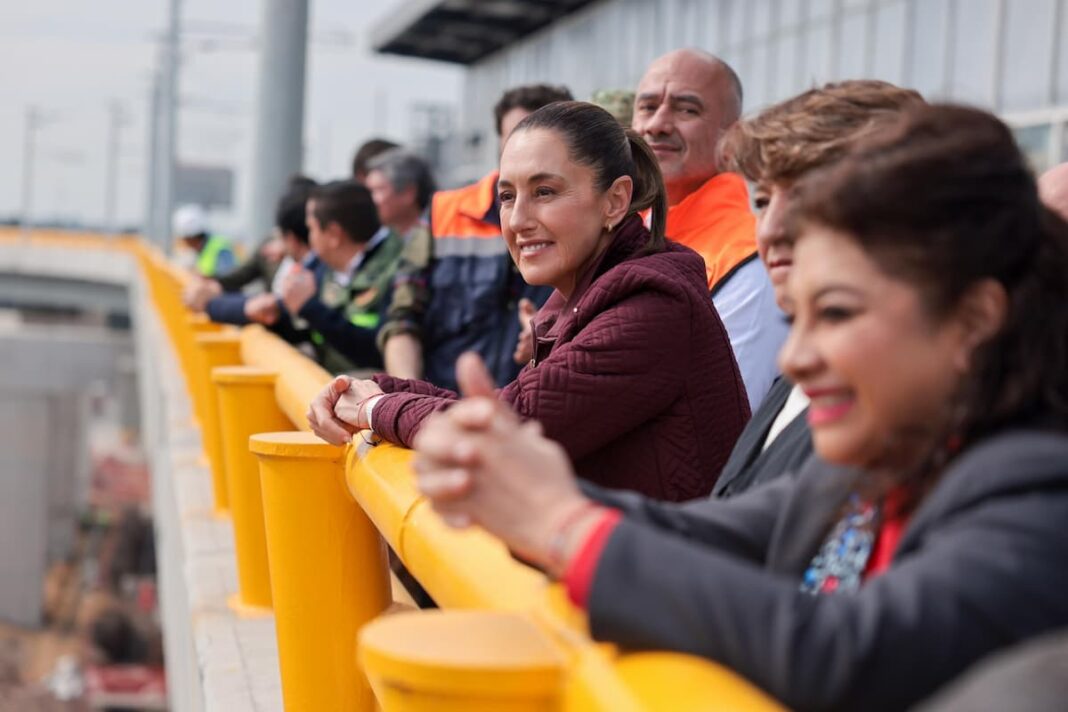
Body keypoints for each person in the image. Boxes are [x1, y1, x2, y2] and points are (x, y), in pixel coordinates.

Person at [411, 104, 1068, 711]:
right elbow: (703, 533)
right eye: (798, 320)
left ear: (975, 318)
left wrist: (559, 524)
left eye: (836, 313)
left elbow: (849, 652)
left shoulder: (1040, 492)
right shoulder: (880, 461)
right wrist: (521, 491)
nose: (794, 360)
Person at [310, 101, 749, 501]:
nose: (518, 220)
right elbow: (506, 406)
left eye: (545, 192)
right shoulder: (585, 295)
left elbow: (504, 428)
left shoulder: (652, 305)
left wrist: (373, 408)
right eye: (507, 196)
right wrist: (368, 390)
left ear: (615, 201)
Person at [711, 80, 925, 498]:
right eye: (762, 201)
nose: (770, 230)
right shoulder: (802, 370)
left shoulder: (908, 409)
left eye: (807, 197)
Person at [379, 83, 573, 388]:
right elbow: (402, 319)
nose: (529, 147)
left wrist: (552, 341)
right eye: (517, 135)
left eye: (544, 136)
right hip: (436, 414)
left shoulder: (583, 223)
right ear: (498, 141)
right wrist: (409, 398)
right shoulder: (442, 212)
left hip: (532, 416)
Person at [633, 49, 786, 411]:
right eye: (647, 106)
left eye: (687, 109)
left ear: (732, 139)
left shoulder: (750, 260)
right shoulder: (623, 231)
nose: (657, 124)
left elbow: (719, 416)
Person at [280, 180, 404, 372]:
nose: (310, 239)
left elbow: (378, 350)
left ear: (333, 235)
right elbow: (282, 313)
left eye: (311, 229)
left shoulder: (400, 269)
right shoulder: (323, 267)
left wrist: (312, 310)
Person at [204, 177, 324, 340]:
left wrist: (211, 303)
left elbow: (277, 310)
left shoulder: (320, 270)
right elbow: (242, 275)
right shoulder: (275, 249)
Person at [171, 204, 236, 278]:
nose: (182, 242)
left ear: (191, 238)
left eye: (184, 238)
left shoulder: (220, 249)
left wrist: (204, 280)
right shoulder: (202, 248)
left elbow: (227, 278)